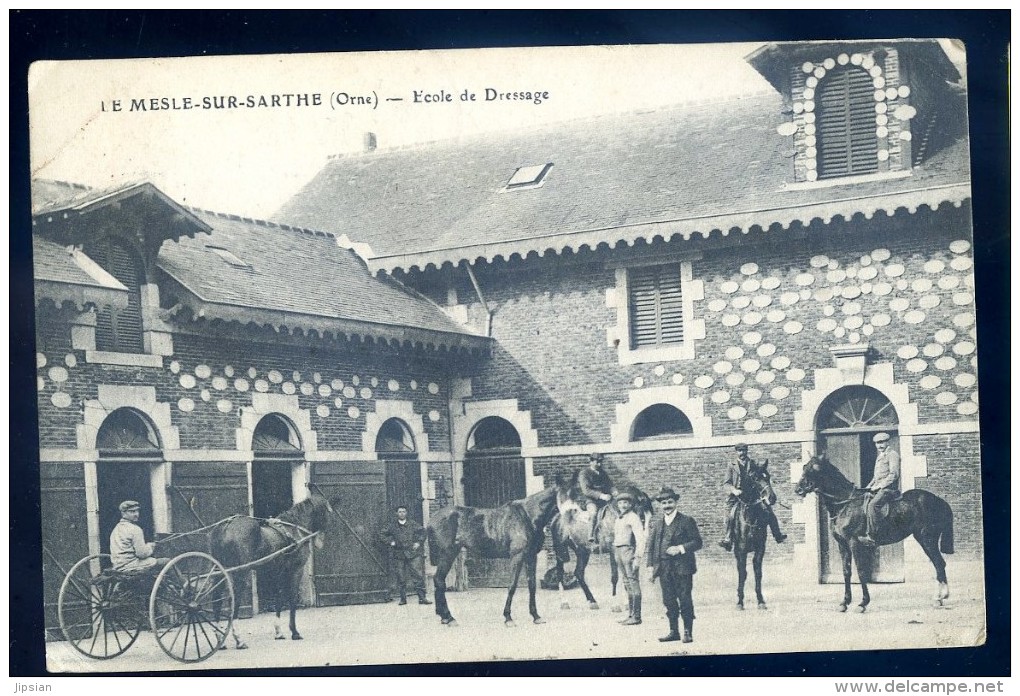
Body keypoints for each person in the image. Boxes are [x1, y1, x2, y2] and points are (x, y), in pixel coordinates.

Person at [644, 486, 702, 643]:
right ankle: (673, 631)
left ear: (676, 502)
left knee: (684, 599)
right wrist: (650, 568)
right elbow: (651, 547)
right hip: (664, 568)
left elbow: (698, 542)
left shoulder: (686, 521)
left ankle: (688, 632)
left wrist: (680, 548)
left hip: (683, 568)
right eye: (664, 503)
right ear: (660, 505)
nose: (667, 505)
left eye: (670, 502)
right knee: (668, 600)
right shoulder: (657, 524)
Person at [718, 443, 786, 551]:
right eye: (740, 451)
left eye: (744, 450)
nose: (742, 453)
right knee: (729, 515)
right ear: (736, 452)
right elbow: (726, 483)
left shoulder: (753, 463)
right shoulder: (731, 465)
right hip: (737, 497)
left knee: (769, 511)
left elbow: (760, 477)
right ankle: (728, 539)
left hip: (752, 496)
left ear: (746, 451)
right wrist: (734, 490)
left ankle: (777, 535)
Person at [379, 505, 432, 605]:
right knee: (401, 577)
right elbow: (381, 534)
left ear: (406, 513)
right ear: (396, 513)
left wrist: (418, 542)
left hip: (412, 553)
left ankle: (422, 598)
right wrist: (391, 542)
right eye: (400, 512)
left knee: (418, 575)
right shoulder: (392, 526)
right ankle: (403, 599)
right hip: (399, 554)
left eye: (403, 511)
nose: (402, 513)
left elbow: (423, 531)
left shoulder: (412, 524)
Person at [858, 432, 901, 545]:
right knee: (863, 500)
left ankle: (873, 535)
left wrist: (879, 486)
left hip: (888, 489)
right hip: (878, 488)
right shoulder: (880, 456)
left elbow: (893, 475)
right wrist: (868, 487)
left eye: (882, 442)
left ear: (887, 442)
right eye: (877, 443)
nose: (879, 445)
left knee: (873, 505)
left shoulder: (892, 454)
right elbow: (876, 476)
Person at [612, 491, 646, 626]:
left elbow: (640, 538)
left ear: (630, 504)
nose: (623, 505)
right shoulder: (618, 518)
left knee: (633, 582)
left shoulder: (633, 517)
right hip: (618, 550)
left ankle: (637, 616)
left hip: (628, 551)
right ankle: (630, 614)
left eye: (626, 502)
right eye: (620, 503)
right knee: (626, 582)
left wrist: (638, 556)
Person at [109, 500, 168, 572]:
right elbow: (142, 554)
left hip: (117, 565)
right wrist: (150, 547)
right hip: (131, 565)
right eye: (132, 512)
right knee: (166, 561)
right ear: (123, 513)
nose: (136, 514)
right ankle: (181, 582)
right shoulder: (135, 529)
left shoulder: (117, 528)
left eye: (137, 511)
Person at [578, 452, 614, 544]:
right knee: (593, 513)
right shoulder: (584, 473)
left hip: (605, 500)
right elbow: (586, 490)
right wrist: (601, 495)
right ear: (591, 461)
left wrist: (614, 491)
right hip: (591, 500)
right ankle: (591, 535)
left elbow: (610, 485)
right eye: (597, 462)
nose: (599, 464)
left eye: (601, 462)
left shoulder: (603, 473)